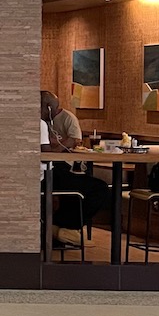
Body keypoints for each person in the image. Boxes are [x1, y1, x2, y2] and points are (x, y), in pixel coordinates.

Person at [40, 95, 108, 247]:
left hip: (52, 170)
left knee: (73, 190)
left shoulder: (64, 119)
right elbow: (46, 156)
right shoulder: (41, 124)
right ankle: (65, 229)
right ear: (48, 108)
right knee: (99, 189)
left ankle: (58, 230)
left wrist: (55, 145)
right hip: (48, 172)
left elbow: (73, 141)